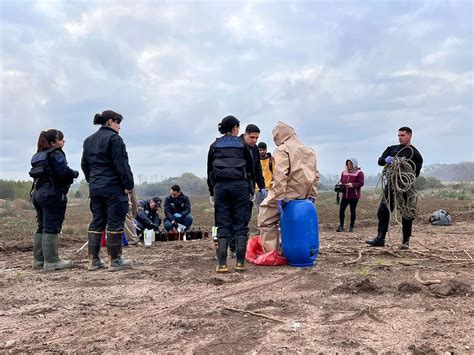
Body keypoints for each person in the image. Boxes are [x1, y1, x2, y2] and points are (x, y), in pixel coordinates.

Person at [81, 110, 134, 271]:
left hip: (96, 188)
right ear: (110, 121)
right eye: (118, 123)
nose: (120, 127)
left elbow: (85, 165)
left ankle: (93, 260)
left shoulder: (88, 140)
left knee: (97, 221)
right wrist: (128, 185)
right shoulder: (115, 139)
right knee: (115, 221)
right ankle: (115, 260)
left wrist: (93, 181)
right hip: (113, 188)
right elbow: (121, 164)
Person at [257, 121, 319, 253]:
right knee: (299, 224)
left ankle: (272, 252)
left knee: (266, 218)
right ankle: (299, 249)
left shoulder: (283, 149)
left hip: (287, 193)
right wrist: (312, 194)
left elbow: (280, 174)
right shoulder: (308, 149)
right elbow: (315, 174)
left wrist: (278, 197)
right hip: (304, 195)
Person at [207, 115, 254, 273]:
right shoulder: (242, 145)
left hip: (221, 188)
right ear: (234, 128)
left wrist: (211, 192)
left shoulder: (214, 145)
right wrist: (251, 189)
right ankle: (240, 263)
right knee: (241, 224)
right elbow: (250, 168)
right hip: (240, 187)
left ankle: (222, 264)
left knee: (222, 224)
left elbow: (210, 171)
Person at [29, 129, 79, 272]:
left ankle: (38, 261)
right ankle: (52, 261)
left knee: (41, 226)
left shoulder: (37, 155)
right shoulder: (56, 153)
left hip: (37, 193)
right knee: (51, 226)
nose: (63, 141)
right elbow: (62, 172)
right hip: (52, 194)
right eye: (61, 139)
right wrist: (73, 173)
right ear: (53, 142)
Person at [366, 126, 423, 249]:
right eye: (398, 135)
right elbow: (380, 161)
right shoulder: (392, 149)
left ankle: (405, 242)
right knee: (383, 210)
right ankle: (380, 238)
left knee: (407, 213)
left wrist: (403, 169)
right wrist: (386, 160)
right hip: (391, 185)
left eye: (402, 135)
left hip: (405, 187)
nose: (399, 138)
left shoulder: (416, 154)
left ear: (409, 136)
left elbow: (415, 173)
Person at [228, 124, 266, 257]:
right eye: (252, 137)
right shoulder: (235, 146)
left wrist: (262, 186)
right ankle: (233, 247)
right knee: (234, 218)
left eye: (257, 138)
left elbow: (257, 169)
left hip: (248, 188)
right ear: (245, 135)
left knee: (245, 218)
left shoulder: (254, 149)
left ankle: (240, 245)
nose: (254, 140)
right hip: (234, 187)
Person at [336, 158, 364, 233]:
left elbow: (361, 183)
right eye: (348, 164)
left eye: (351, 164)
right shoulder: (344, 172)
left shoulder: (359, 172)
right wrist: (340, 185)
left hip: (354, 196)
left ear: (354, 164)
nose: (349, 165)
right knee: (341, 210)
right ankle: (341, 226)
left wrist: (352, 185)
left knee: (352, 211)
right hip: (345, 195)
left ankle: (351, 227)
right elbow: (342, 180)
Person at [254, 141, 274, 211]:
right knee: (259, 209)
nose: (262, 151)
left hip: (269, 189)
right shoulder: (255, 160)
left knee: (269, 210)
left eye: (263, 150)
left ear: (266, 150)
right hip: (258, 189)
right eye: (260, 150)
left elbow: (275, 174)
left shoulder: (271, 160)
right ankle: (260, 222)